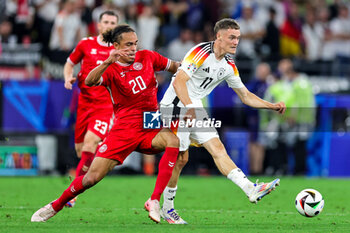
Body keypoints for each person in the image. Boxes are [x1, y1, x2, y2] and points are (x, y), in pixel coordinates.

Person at [31, 25, 181, 223]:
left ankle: (154, 200)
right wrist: (107, 61)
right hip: (123, 131)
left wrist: (197, 65)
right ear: (116, 46)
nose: (133, 48)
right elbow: (90, 81)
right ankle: (55, 205)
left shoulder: (148, 57)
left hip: (149, 124)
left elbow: (176, 67)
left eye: (135, 43)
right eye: (128, 45)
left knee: (174, 141)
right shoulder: (110, 69)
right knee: (91, 178)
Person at [159, 18, 286, 224]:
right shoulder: (200, 52)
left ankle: (250, 189)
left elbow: (245, 96)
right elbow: (180, 81)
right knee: (181, 159)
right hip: (175, 105)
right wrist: (190, 107)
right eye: (232, 37)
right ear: (218, 37)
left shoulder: (228, 64)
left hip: (194, 108)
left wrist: (270, 105)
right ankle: (166, 208)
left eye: (238, 38)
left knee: (218, 148)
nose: (236, 42)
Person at [62, 10, 118, 208]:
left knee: (89, 143)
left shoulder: (118, 51)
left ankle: (73, 194)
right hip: (84, 105)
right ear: (99, 24)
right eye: (106, 21)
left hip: (105, 106)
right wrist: (68, 77)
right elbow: (69, 64)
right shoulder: (85, 44)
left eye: (113, 22)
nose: (109, 25)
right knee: (81, 151)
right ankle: (102, 164)